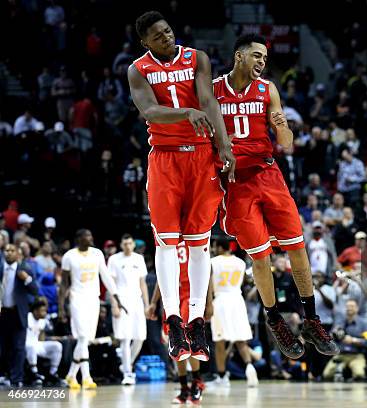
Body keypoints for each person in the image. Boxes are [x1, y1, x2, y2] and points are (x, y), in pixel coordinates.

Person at [213, 34, 338, 360]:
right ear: (239, 56)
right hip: (236, 183)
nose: (261, 63)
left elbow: (287, 143)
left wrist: (283, 127)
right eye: (256, 56)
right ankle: (274, 319)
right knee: (261, 256)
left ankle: (311, 318)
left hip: (269, 174)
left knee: (297, 247)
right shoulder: (212, 90)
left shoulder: (268, 89)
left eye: (265, 59)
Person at [128, 10, 235, 362]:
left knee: (199, 241)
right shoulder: (138, 69)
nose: (167, 37)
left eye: (168, 31)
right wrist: (184, 114)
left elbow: (208, 101)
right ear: (145, 42)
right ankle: (173, 319)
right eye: (158, 36)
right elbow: (151, 111)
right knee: (167, 240)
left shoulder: (196, 58)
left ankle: (196, 323)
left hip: (201, 155)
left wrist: (225, 147)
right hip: (165, 156)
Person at [58, 229, 125, 390]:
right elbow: (64, 284)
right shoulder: (69, 256)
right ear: (79, 239)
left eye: (91, 235)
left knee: (85, 339)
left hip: (93, 300)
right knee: (81, 337)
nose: (90, 238)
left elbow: (106, 276)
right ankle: (87, 377)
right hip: (77, 299)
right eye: (87, 236)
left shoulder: (97, 254)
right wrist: (61, 307)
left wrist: (116, 297)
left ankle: (71, 375)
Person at [148, 241, 211, 404]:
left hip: (190, 298)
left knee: (188, 341)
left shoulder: (194, 238)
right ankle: (184, 387)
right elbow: (162, 278)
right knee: (176, 344)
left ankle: (197, 382)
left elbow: (206, 274)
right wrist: (154, 302)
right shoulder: (168, 240)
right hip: (172, 300)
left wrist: (209, 303)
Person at [208, 239, 258, 388]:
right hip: (237, 299)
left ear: (220, 247)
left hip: (221, 301)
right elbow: (243, 282)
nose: (213, 249)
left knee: (220, 341)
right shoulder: (241, 263)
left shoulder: (213, 262)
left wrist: (207, 304)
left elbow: (209, 286)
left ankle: (222, 377)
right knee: (240, 339)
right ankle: (250, 367)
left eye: (215, 246)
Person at [107, 234, 149, 385]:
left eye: (130, 243)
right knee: (125, 338)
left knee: (140, 337)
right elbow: (111, 285)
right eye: (125, 244)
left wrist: (147, 305)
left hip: (137, 301)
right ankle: (127, 373)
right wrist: (114, 305)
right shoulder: (114, 260)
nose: (128, 246)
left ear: (133, 244)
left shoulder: (139, 259)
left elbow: (142, 283)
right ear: (121, 245)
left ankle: (127, 362)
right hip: (121, 300)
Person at [0, 244, 39, 386]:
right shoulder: (0, 268)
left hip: (17, 313)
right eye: (6, 251)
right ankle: (3, 375)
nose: (8, 253)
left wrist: (27, 279)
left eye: (12, 251)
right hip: (2, 313)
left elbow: (35, 290)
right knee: (3, 348)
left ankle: (17, 379)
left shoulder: (25, 269)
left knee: (18, 347)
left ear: (18, 254)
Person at [322, 300, 367, 381]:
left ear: (357, 309)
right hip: (341, 355)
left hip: (356, 355)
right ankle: (342, 373)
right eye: (347, 306)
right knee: (327, 375)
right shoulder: (339, 323)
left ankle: (347, 375)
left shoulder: (364, 324)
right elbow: (329, 339)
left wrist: (353, 340)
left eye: (352, 306)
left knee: (359, 374)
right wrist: (333, 334)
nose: (349, 308)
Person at [25, 297, 63, 386]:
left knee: (57, 346)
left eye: (45, 311)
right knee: (32, 346)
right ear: (35, 311)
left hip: (36, 343)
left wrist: (50, 339)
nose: (44, 313)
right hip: (25, 344)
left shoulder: (43, 321)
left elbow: (41, 337)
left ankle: (53, 373)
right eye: (42, 311)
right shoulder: (28, 317)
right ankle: (34, 373)